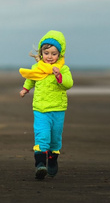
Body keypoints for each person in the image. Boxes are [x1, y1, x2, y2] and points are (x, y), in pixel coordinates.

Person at [19, 30, 74, 180]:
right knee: (42, 136)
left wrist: (59, 76)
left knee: (55, 138)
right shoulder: (37, 68)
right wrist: (25, 89)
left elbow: (68, 84)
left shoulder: (63, 69)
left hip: (57, 109)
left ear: (60, 55)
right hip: (41, 109)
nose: (50, 56)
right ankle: (40, 165)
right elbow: (31, 78)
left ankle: (52, 158)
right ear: (41, 52)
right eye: (47, 52)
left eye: (54, 53)